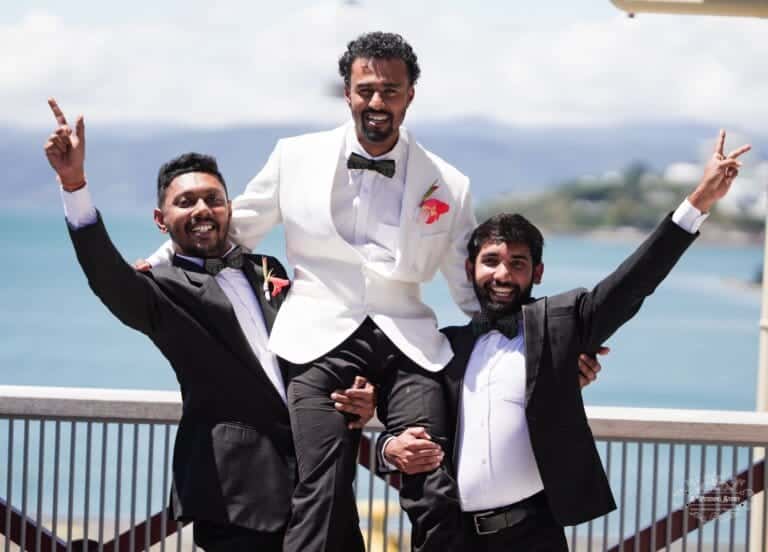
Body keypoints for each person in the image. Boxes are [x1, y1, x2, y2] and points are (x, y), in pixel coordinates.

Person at [145, 31, 603, 552]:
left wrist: (548, 348)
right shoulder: (293, 157)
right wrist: (157, 262)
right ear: (347, 93)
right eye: (366, 89)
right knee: (322, 484)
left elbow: (476, 291)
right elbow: (233, 227)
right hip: (315, 344)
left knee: (430, 480)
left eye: (390, 90)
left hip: (409, 347)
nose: (377, 102)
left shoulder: (448, 184)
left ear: (410, 95)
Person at [381, 131, 751, 550]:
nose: (502, 275)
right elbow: (398, 407)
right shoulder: (442, 346)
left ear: (537, 273)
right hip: (450, 539)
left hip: (533, 535)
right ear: (470, 268)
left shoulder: (558, 329)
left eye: (517, 264)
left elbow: (633, 284)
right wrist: (389, 447)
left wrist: (698, 202)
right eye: (491, 262)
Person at [43, 99, 376, 552]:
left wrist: (356, 396)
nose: (202, 208)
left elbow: (317, 345)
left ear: (228, 209)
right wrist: (74, 185)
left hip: (324, 487)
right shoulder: (160, 290)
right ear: (161, 221)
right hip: (238, 495)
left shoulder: (267, 268)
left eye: (212, 199)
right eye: (185, 202)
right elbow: (106, 275)